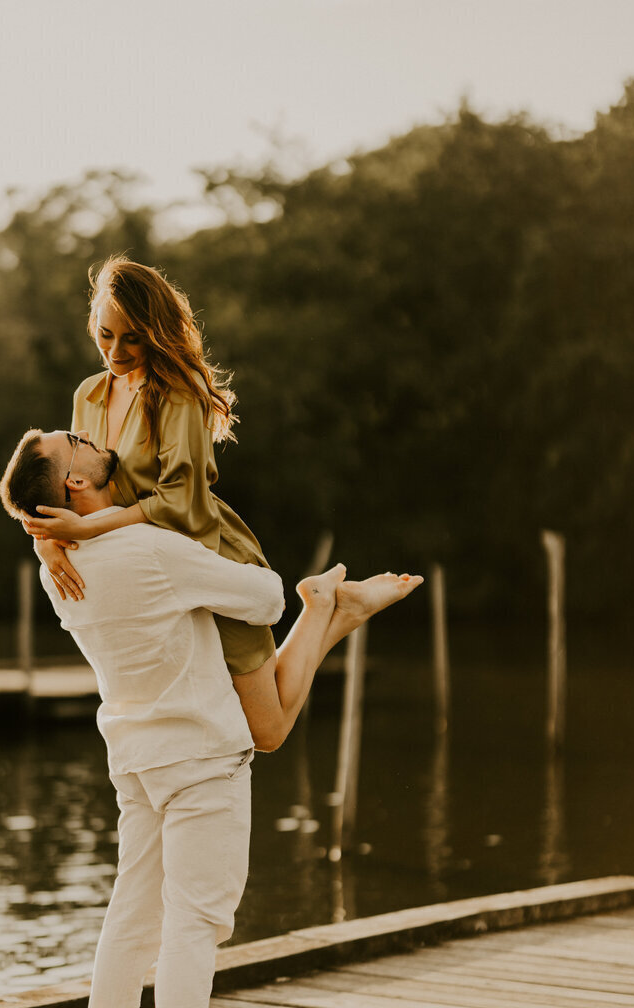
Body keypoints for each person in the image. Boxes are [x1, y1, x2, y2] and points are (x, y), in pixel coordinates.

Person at [0, 426, 422, 1008]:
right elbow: (262, 600)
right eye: (76, 443)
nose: (89, 437)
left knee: (132, 909)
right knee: (197, 922)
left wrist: (46, 537)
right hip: (198, 756)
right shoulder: (148, 550)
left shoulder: (57, 566)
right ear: (75, 483)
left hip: (134, 756)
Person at [21, 257, 415, 753]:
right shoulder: (89, 394)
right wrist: (47, 543)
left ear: (156, 332)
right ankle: (334, 609)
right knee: (216, 721)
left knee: (267, 732)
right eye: (105, 335)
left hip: (206, 553)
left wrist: (88, 533)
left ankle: (321, 609)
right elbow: (59, 480)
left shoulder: (178, 393)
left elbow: (182, 501)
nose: (115, 352)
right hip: (146, 576)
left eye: (132, 338)